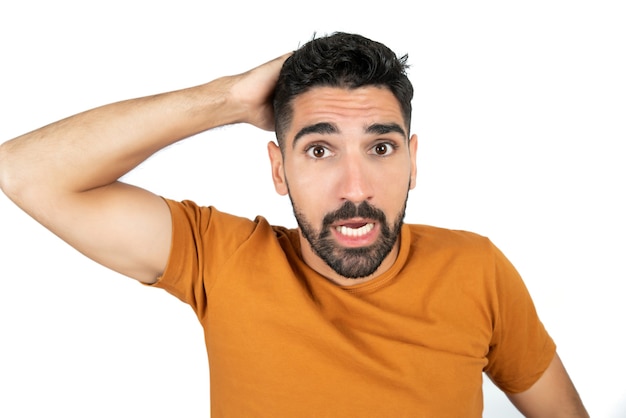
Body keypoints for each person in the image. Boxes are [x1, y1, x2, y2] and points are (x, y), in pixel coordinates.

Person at [0, 32, 588, 417]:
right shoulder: (223, 259)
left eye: (380, 149)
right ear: (278, 169)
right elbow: (24, 171)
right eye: (319, 151)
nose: (355, 189)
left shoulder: (476, 267)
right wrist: (227, 99)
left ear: (414, 161)